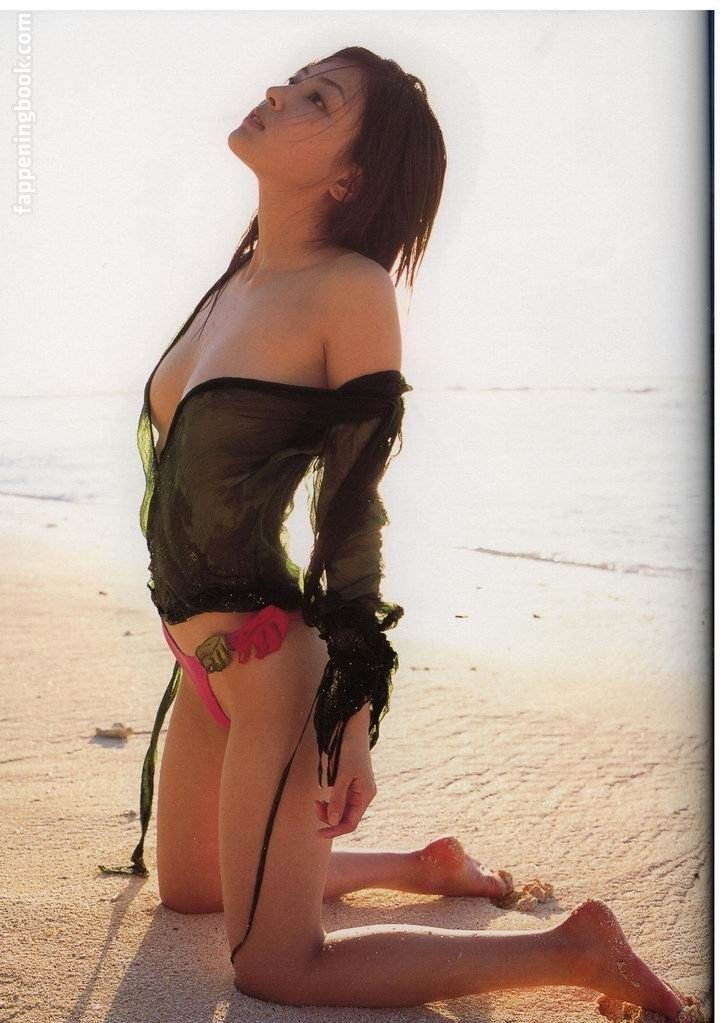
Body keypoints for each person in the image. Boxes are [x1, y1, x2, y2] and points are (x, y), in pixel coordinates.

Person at [99, 47, 690, 1016]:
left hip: (270, 668)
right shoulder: (236, 280)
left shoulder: (352, 290)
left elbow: (351, 504)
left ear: (350, 178)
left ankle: (575, 949)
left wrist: (350, 706)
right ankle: (421, 864)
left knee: (277, 968)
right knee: (192, 892)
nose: (277, 93)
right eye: (295, 79)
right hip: (201, 657)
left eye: (317, 99)